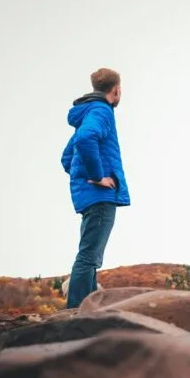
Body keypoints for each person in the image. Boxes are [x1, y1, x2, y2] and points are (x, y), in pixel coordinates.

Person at [61, 68, 130, 308]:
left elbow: (67, 157)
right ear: (116, 90)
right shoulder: (101, 111)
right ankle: (76, 312)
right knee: (89, 257)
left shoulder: (89, 112)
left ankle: (88, 308)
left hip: (90, 197)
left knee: (90, 256)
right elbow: (85, 140)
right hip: (100, 196)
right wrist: (97, 176)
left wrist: (82, 178)